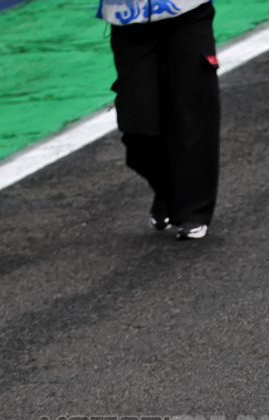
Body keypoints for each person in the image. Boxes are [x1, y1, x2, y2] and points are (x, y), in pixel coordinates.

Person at [100, 0, 221, 240]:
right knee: (137, 122)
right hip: (127, 17)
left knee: (192, 111)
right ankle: (168, 191)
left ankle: (193, 212)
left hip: (187, 12)